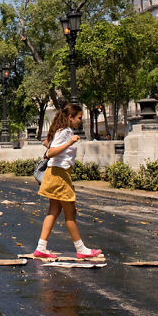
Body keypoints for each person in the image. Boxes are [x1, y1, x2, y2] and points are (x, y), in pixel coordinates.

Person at [34, 103, 102, 259]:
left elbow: (49, 145)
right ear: (70, 117)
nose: (80, 121)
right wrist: (70, 142)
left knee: (54, 210)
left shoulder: (61, 131)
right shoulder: (65, 132)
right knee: (70, 212)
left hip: (57, 173)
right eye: (78, 118)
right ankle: (81, 249)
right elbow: (51, 152)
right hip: (59, 174)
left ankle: (41, 247)